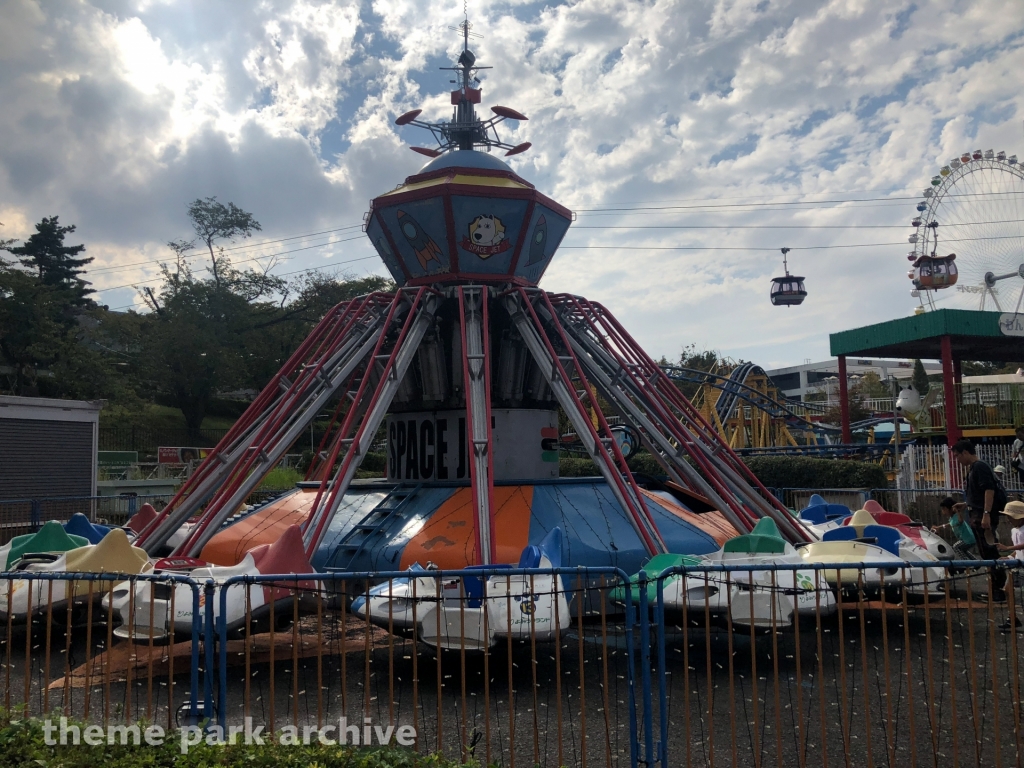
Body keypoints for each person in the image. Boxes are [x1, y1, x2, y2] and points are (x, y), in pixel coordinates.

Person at [952, 438, 1009, 597]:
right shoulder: (975, 468)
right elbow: (980, 493)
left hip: (982, 515)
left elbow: (989, 490)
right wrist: (966, 504)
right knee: (986, 551)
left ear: (965, 452)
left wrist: (986, 514)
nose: (957, 459)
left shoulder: (979, 467)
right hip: (977, 512)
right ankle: (996, 588)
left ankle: (998, 590)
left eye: (958, 456)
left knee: (989, 551)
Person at [997, 500, 1024, 629]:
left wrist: (1007, 547)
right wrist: (1009, 556)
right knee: (1007, 589)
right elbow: (1018, 550)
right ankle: (1012, 617)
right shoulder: (1015, 530)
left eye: (1010, 516)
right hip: (1018, 564)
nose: (1008, 519)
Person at [931, 496, 978, 560]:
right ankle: (975, 562)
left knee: (956, 547)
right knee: (962, 550)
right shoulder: (952, 518)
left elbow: (961, 521)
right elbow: (950, 524)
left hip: (968, 539)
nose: (943, 511)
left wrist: (958, 511)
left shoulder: (956, 516)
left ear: (950, 509)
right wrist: (938, 527)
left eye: (944, 509)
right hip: (966, 539)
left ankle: (967, 564)